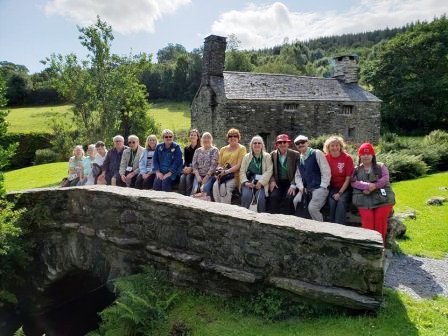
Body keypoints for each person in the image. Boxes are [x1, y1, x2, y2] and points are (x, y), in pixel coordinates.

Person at [351, 143, 395, 244]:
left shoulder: (381, 166)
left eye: (368, 154)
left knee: (380, 220)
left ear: (373, 155)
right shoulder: (356, 169)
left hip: (382, 199)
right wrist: (367, 186)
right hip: (363, 199)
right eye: (363, 154)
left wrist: (374, 186)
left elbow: (385, 178)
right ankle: (369, 245)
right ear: (359, 156)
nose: (366, 156)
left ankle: (380, 245)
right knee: (367, 220)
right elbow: (353, 182)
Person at [294, 135, 331, 221]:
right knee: (296, 201)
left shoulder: (316, 153)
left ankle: (320, 229)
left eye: (303, 142)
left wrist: (323, 186)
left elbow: (326, 171)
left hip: (320, 188)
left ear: (307, 143)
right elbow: (298, 176)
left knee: (313, 208)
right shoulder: (299, 159)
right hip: (307, 189)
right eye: (297, 143)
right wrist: (300, 187)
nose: (300, 144)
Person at [323, 136, 354, 224]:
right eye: (332, 146)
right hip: (333, 187)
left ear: (340, 146)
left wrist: (340, 193)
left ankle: (340, 227)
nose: (335, 148)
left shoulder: (347, 158)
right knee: (331, 201)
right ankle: (332, 226)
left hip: (346, 187)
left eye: (337, 145)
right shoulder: (326, 158)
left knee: (341, 201)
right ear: (328, 147)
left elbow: (348, 178)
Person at [212, 128, 247, 204]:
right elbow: (220, 164)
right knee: (215, 186)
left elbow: (238, 165)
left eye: (235, 136)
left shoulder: (242, 149)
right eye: (230, 136)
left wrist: (226, 171)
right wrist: (219, 171)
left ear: (238, 138)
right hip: (223, 174)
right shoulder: (223, 149)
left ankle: (226, 210)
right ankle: (218, 207)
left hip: (235, 175)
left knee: (223, 188)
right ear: (228, 138)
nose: (233, 138)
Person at [239, 135, 273, 212]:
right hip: (249, 182)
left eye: (259, 143)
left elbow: (269, 171)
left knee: (260, 198)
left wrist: (261, 183)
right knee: (246, 196)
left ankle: (262, 219)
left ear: (262, 145)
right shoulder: (246, 157)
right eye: (255, 143)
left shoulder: (267, 156)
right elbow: (242, 171)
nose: (257, 145)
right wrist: (246, 182)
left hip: (262, 182)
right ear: (251, 145)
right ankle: (244, 216)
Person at [269, 134, 299, 215]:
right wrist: (272, 181)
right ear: (277, 144)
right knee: (273, 197)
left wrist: (293, 184)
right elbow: (269, 170)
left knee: (289, 198)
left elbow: (298, 172)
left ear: (288, 143)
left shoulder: (295, 154)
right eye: (280, 142)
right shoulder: (272, 154)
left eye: (284, 142)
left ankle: (288, 222)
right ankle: (274, 220)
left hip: (290, 182)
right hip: (278, 182)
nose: (282, 144)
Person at [191, 132, 219, 197]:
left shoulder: (215, 150)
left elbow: (213, 166)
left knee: (205, 189)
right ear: (201, 140)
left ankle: (205, 206)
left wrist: (206, 177)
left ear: (211, 139)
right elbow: (194, 164)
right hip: (198, 175)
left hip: (210, 176)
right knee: (194, 190)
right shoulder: (197, 150)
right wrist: (197, 176)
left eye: (208, 138)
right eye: (204, 138)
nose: (206, 140)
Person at [179, 129, 201, 196]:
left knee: (188, 177)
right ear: (189, 136)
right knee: (182, 177)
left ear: (197, 137)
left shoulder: (200, 148)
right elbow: (186, 161)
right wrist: (185, 167)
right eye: (191, 135)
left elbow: (199, 163)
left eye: (195, 135)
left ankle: (188, 196)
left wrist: (191, 169)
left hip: (196, 170)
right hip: (188, 167)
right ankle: (182, 195)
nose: (193, 136)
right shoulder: (186, 148)